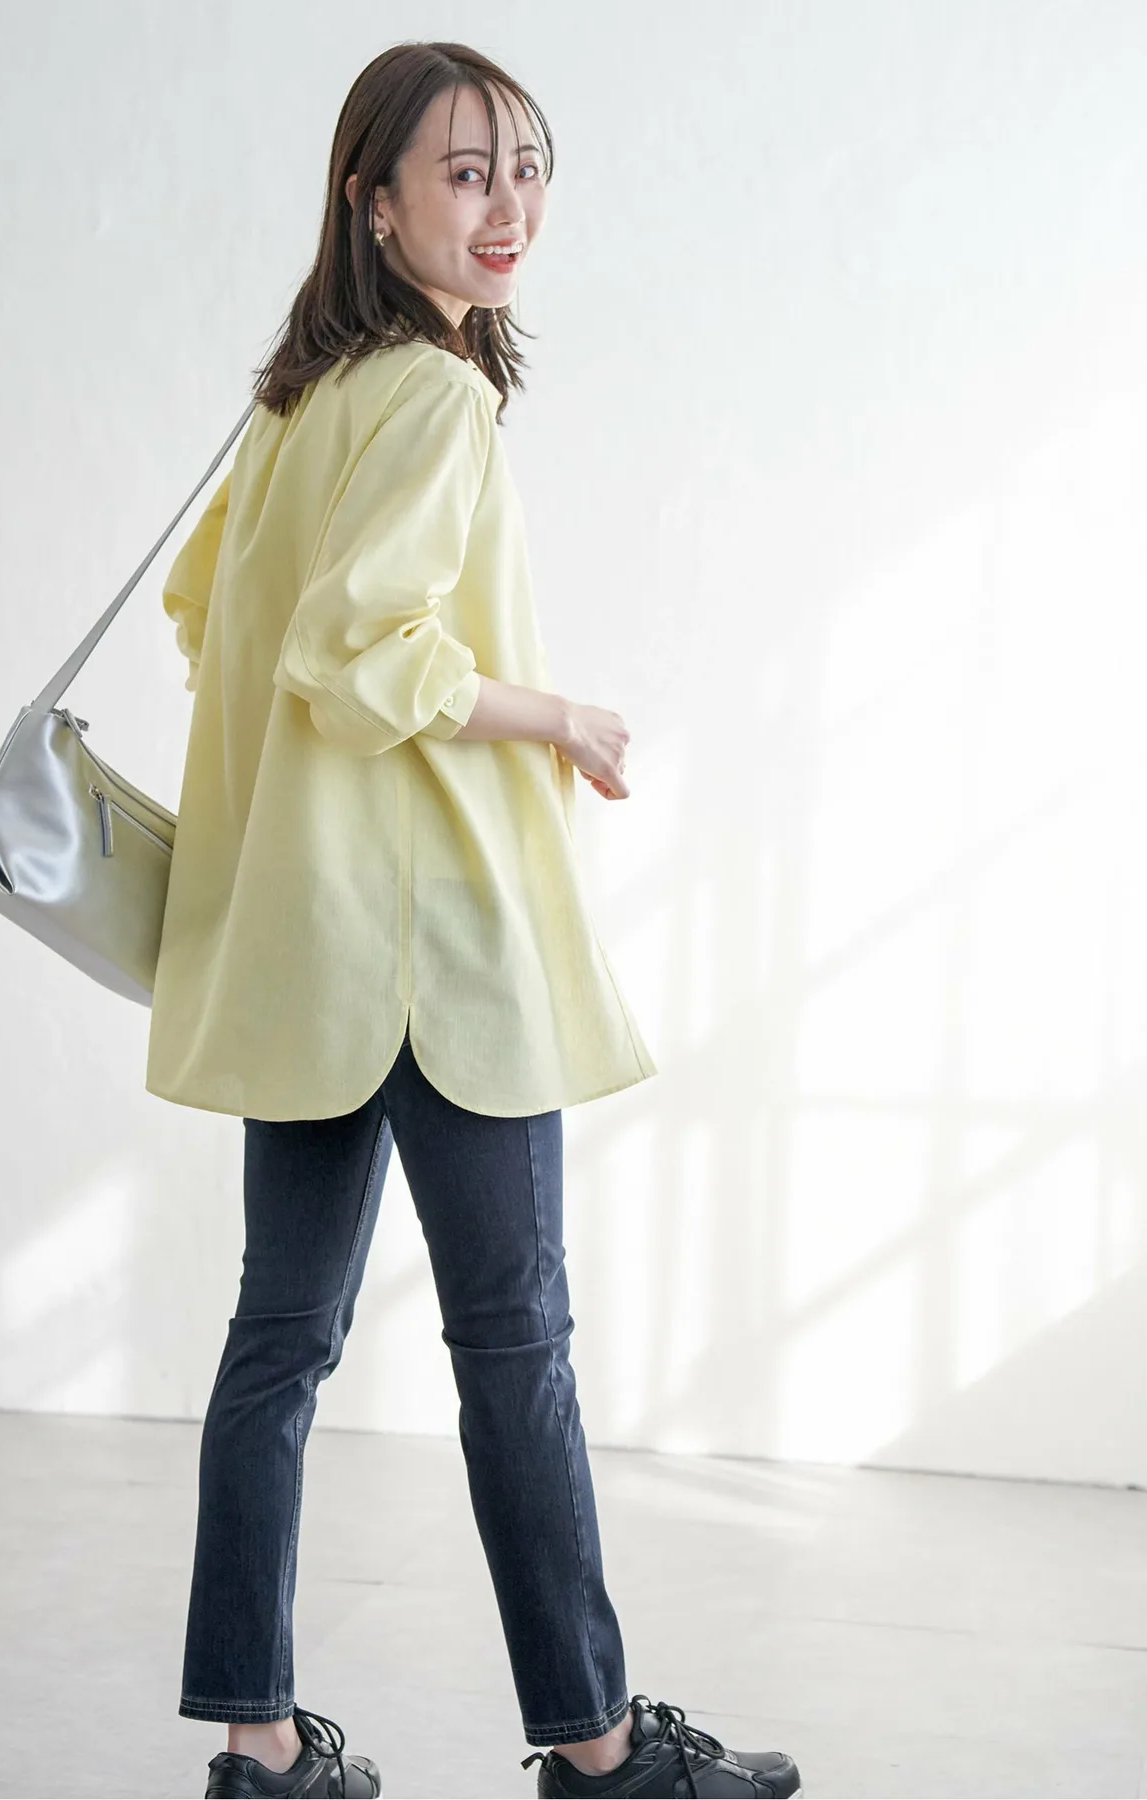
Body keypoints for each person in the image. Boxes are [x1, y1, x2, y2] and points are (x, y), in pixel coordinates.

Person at [145, 39, 804, 1800]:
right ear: (375, 201)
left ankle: (258, 1747)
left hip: (305, 950)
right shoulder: (434, 401)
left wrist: (315, 787)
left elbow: (217, 622)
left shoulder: (297, 400)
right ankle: (597, 1751)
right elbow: (354, 647)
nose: (508, 208)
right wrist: (553, 715)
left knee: (278, 1344)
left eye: (526, 167)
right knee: (516, 1348)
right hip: (435, 953)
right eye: (463, 172)